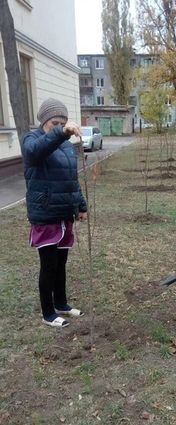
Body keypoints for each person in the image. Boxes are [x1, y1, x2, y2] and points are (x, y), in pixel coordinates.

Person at [22, 98, 87, 328]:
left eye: (62, 122)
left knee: (61, 264)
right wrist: (61, 132)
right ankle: (48, 312)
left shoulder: (66, 146)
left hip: (64, 214)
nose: (60, 126)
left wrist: (81, 205)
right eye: (54, 123)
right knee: (48, 266)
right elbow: (35, 152)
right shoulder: (32, 140)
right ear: (44, 122)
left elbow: (72, 179)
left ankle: (61, 304)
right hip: (45, 213)